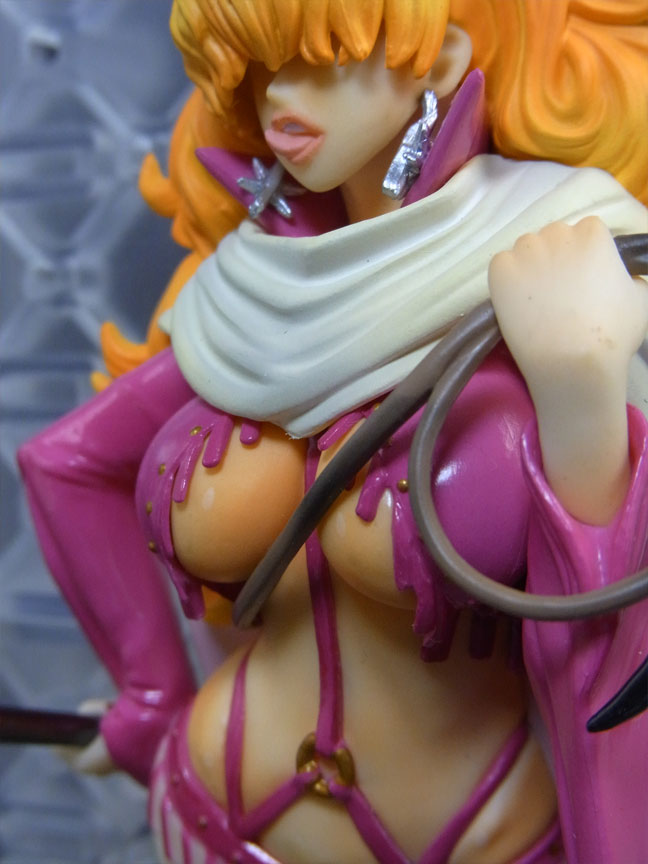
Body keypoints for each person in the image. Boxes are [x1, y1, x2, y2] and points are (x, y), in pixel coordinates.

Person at [18, 1, 648, 862]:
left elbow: (610, 617)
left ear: (439, 61)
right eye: (261, 68)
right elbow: (65, 464)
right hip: (206, 811)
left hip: (477, 838)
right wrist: (149, 700)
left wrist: (581, 386)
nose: (281, 97)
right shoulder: (252, 291)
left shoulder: (564, 256)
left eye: (320, 58)